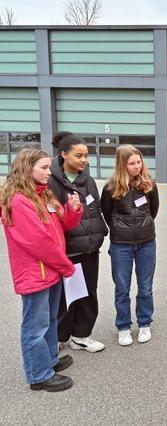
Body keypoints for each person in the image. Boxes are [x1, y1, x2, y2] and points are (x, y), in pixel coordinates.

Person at [0, 149, 83, 392]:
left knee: (49, 320)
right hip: (36, 272)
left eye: (49, 167)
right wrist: (65, 266)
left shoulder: (42, 195)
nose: (50, 172)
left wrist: (73, 210)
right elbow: (38, 242)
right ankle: (39, 375)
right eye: (44, 168)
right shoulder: (18, 200)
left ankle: (50, 361)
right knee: (35, 326)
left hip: (51, 270)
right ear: (28, 168)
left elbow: (63, 225)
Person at [48, 131, 108, 353]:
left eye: (86, 155)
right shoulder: (52, 182)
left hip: (90, 249)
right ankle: (59, 336)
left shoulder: (88, 180)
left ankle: (81, 336)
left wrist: (101, 231)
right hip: (67, 251)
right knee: (65, 297)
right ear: (64, 155)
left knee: (88, 293)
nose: (84, 159)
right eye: (78, 155)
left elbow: (97, 209)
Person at [101, 145, 159, 346]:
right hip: (121, 246)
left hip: (146, 243)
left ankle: (144, 323)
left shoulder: (149, 184)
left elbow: (154, 210)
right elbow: (107, 213)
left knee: (145, 287)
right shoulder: (110, 187)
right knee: (122, 288)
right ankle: (124, 327)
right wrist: (121, 230)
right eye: (131, 163)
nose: (136, 166)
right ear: (121, 165)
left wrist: (142, 227)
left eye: (138, 162)